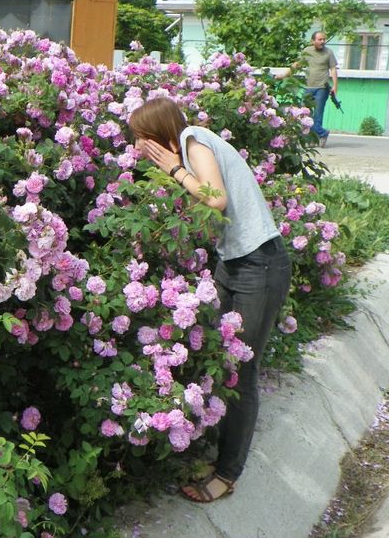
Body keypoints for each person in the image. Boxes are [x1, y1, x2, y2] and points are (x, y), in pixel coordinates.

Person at [129, 97, 292, 503]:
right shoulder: (192, 147)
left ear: (158, 135)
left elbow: (215, 198)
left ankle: (227, 472)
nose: (136, 149)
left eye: (140, 140)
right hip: (232, 264)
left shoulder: (193, 141)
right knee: (214, 353)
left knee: (242, 369)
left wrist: (174, 170)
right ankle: (218, 453)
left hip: (262, 265)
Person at [278, 31, 338, 147]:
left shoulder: (328, 52)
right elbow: (297, 65)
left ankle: (318, 135)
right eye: (320, 39)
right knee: (304, 114)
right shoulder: (307, 51)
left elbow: (333, 69)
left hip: (322, 88)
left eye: (324, 39)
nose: (322, 42)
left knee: (318, 115)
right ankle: (320, 134)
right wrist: (284, 75)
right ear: (313, 41)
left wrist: (335, 86)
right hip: (308, 87)